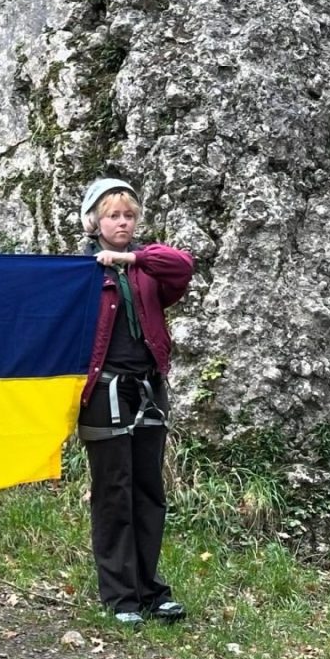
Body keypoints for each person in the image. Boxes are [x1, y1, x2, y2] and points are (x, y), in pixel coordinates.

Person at [77, 178, 194, 626]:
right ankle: (120, 596)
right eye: (113, 215)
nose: (122, 222)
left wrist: (130, 258)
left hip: (148, 387)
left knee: (149, 489)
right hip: (104, 390)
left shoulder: (147, 267)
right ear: (94, 222)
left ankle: (151, 590)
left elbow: (182, 266)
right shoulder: (82, 272)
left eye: (128, 215)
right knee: (113, 492)